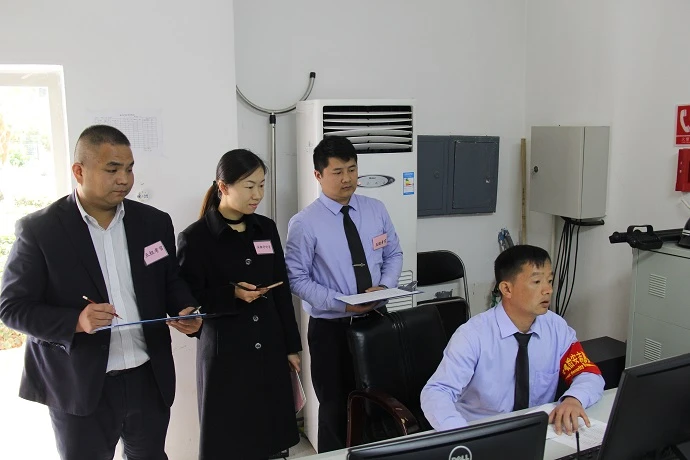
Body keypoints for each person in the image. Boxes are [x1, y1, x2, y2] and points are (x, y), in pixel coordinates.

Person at [0, 125, 201, 460]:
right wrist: (76, 321)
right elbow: (12, 308)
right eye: (112, 169)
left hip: (147, 377)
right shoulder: (41, 230)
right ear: (79, 171)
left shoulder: (153, 223)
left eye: (129, 169)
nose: (124, 179)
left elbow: (169, 281)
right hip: (79, 382)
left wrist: (185, 309)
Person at [177, 149, 302, 460]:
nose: (257, 194)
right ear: (223, 187)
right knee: (230, 441)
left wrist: (291, 346)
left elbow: (282, 291)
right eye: (249, 186)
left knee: (271, 438)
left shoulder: (266, 228)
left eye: (261, 185)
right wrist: (230, 293)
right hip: (226, 355)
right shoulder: (196, 237)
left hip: (269, 346)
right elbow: (186, 299)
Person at [285, 136, 404, 452]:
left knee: (381, 401)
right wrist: (341, 304)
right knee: (336, 409)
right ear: (318, 175)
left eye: (352, 169)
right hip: (331, 330)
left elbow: (393, 253)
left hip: (377, 321)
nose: (347, 178)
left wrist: (385, 286)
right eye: (337, 172)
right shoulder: (305, 223)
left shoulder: (375, 209)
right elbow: (296, 278)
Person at [421, 245, 605, 436]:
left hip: (539, 433)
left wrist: (574, 399)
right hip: (483, 434)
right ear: (507, 289)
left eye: (550, 281)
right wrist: (462, 435)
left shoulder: (556, 327)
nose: (548, 290)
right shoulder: (473, 335)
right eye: (536, 282)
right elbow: (437, 391)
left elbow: (587, 373)